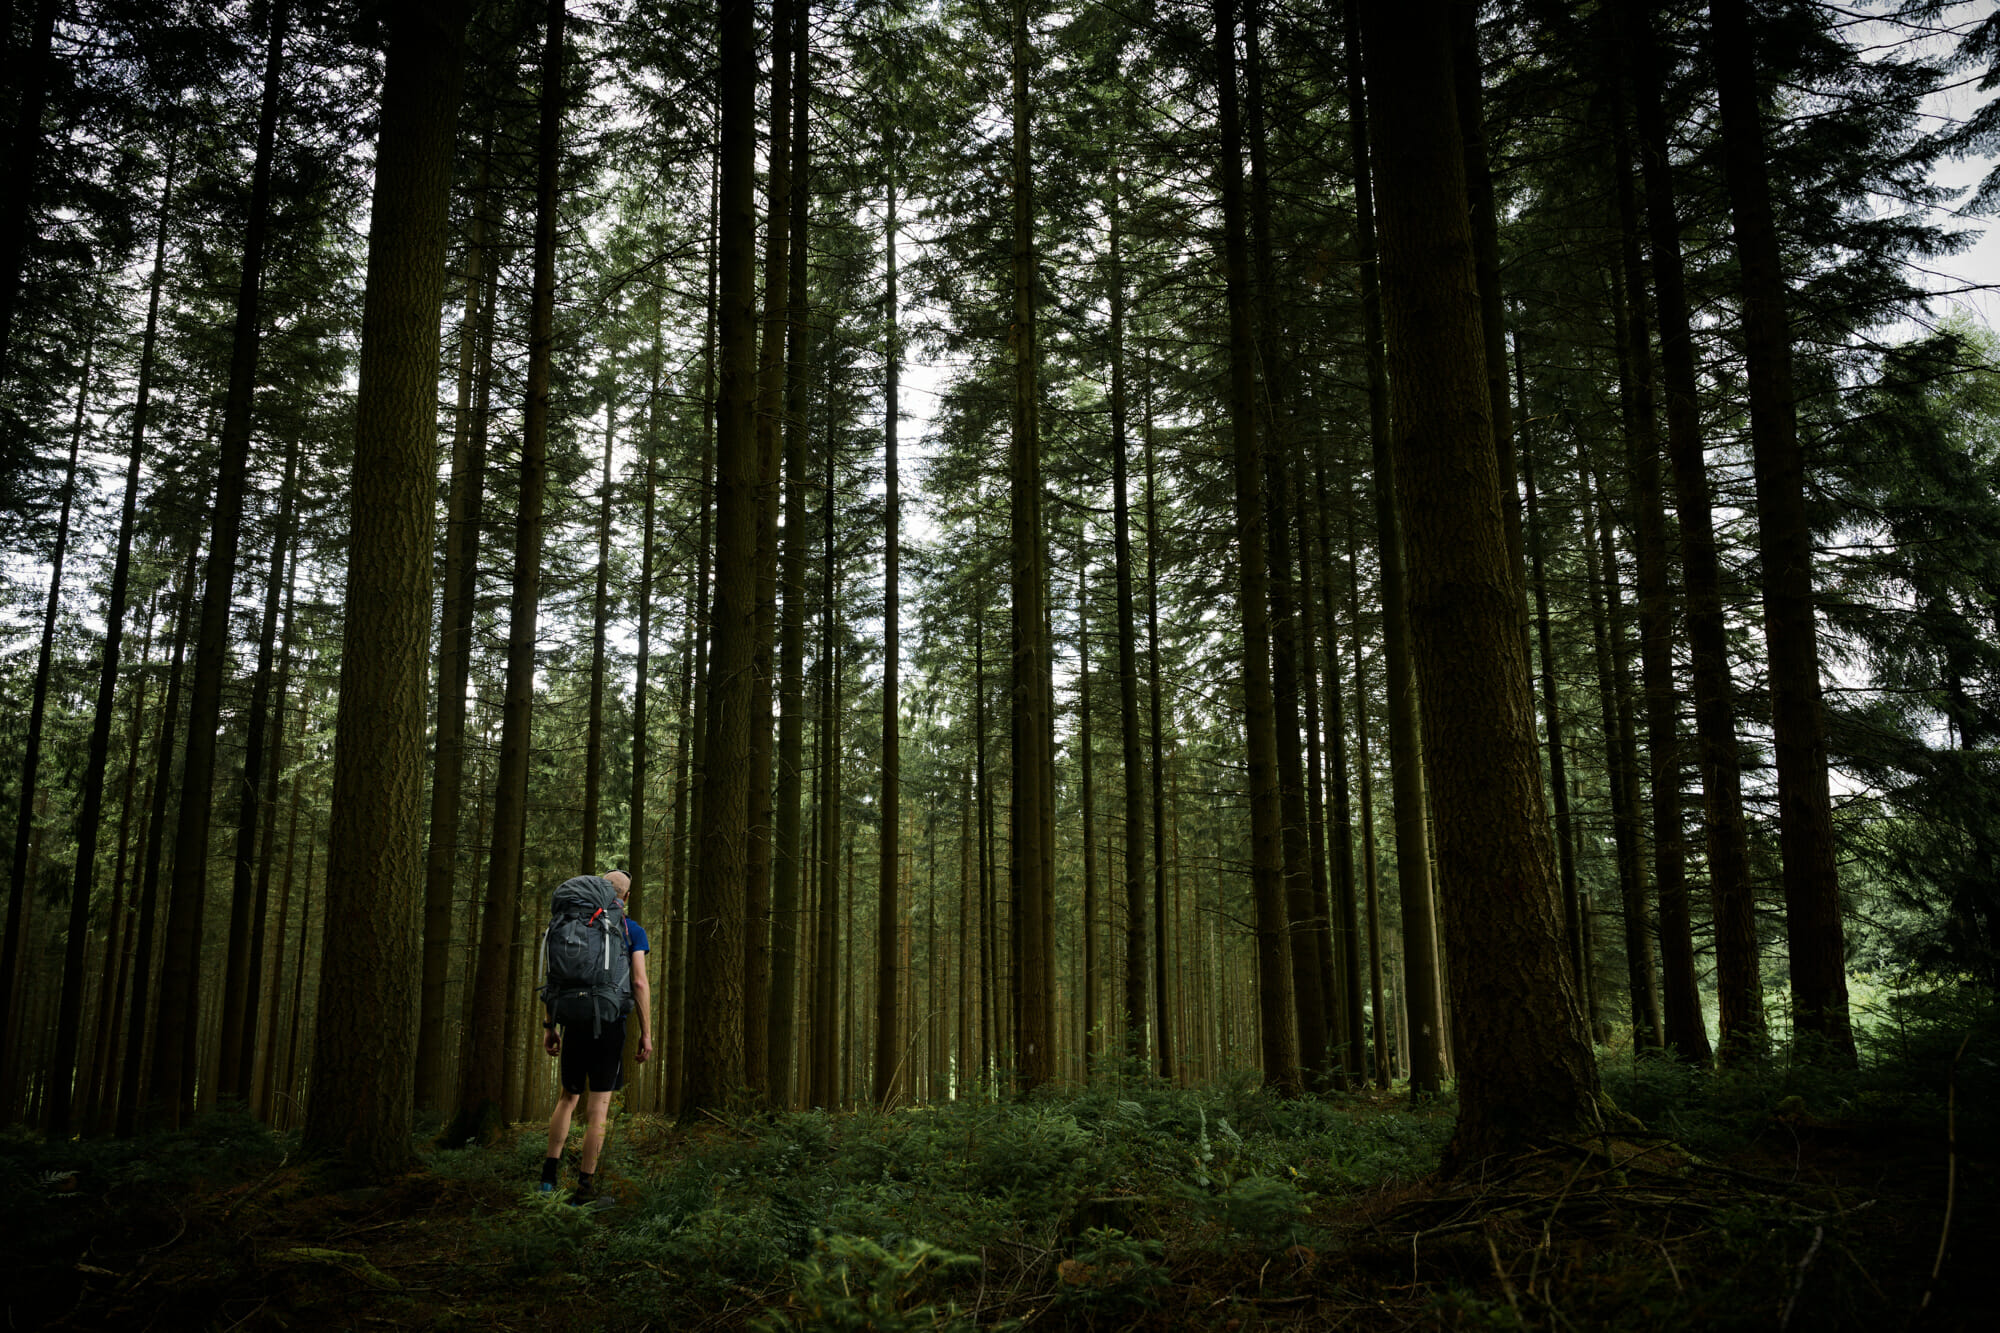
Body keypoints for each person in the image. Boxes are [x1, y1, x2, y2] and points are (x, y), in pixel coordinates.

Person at [538, 869, 652, 1205]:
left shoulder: (570, 923)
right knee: (598, 1107)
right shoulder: (631, 930)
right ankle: (584, 1190)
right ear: (626, 897)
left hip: (572, 1019)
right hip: (609, 1021)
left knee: (567, 1098)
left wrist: (550, 1026)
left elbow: (554, 978)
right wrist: (647, 1032)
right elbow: (640, 983)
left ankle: (547, 1181)